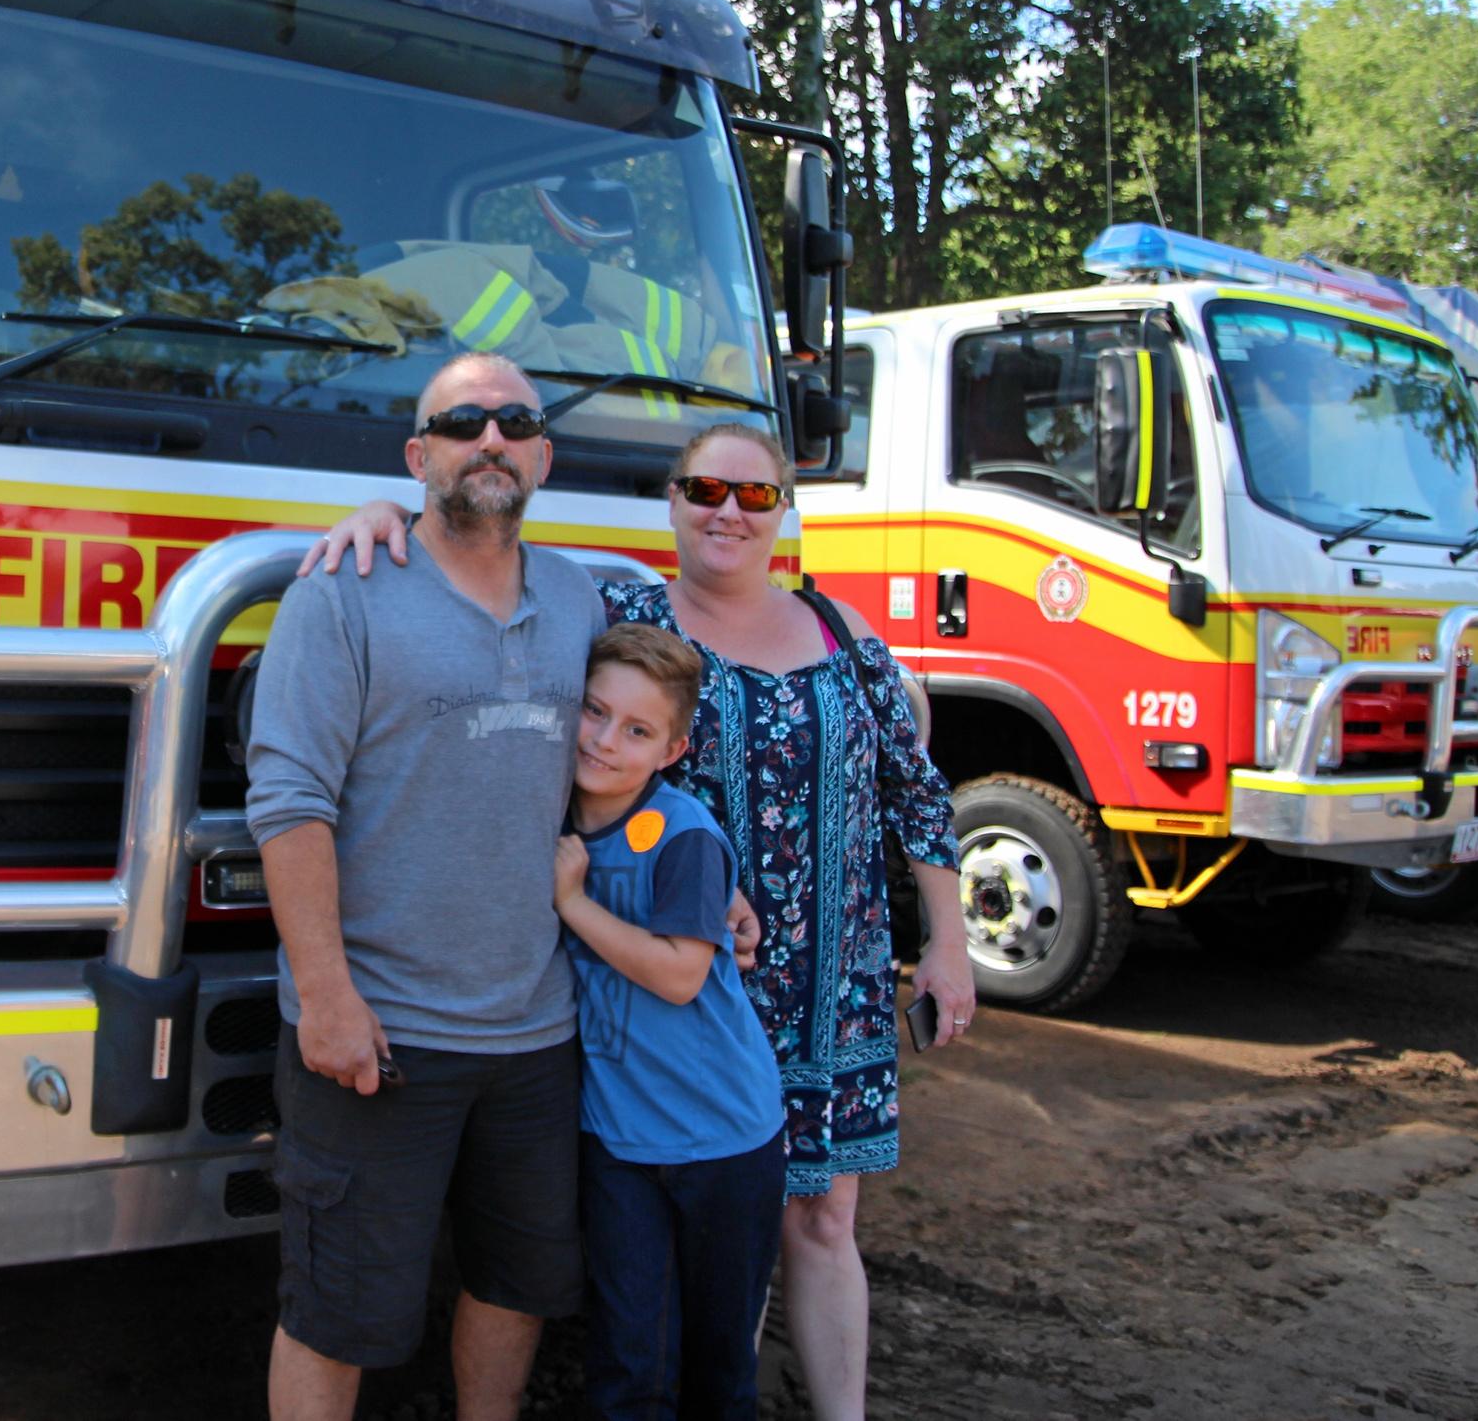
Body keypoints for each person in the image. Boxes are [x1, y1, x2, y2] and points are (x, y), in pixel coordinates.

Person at [304, 420, 974, 1421]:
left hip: (833, 978)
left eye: (755, 496)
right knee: (705, 1227)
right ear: (671, 500)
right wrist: (386, 520)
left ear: (784, 510)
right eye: (707, 490)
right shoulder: (614, 614)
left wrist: (950, 945)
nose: (728, 513)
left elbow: (914, 791)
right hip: (685, 988)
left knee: (825, 1214)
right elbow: (483, 582)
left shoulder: (844, 634)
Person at [244, 352, 603, 1421]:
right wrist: (327, 998)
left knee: (517, 1284)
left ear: (541, 454)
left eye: (513, 422)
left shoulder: (583, 598)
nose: (489, 439)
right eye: (462, 424)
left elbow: (665, 716)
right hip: (379, 1035)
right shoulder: (343, 593)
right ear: (419, 457)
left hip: (537, 1035)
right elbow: (289, 803)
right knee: (336, 1312)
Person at [555, 623, 785, 1418]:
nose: (604, 739)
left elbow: (683, 974)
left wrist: (573, 904)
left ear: (674, 750)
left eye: (637, 729)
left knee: (720, 1367)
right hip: (619, 1142)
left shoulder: (682, 833)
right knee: (628, 1358)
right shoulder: (548, 814)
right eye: (593, 711)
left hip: (725, 1141)